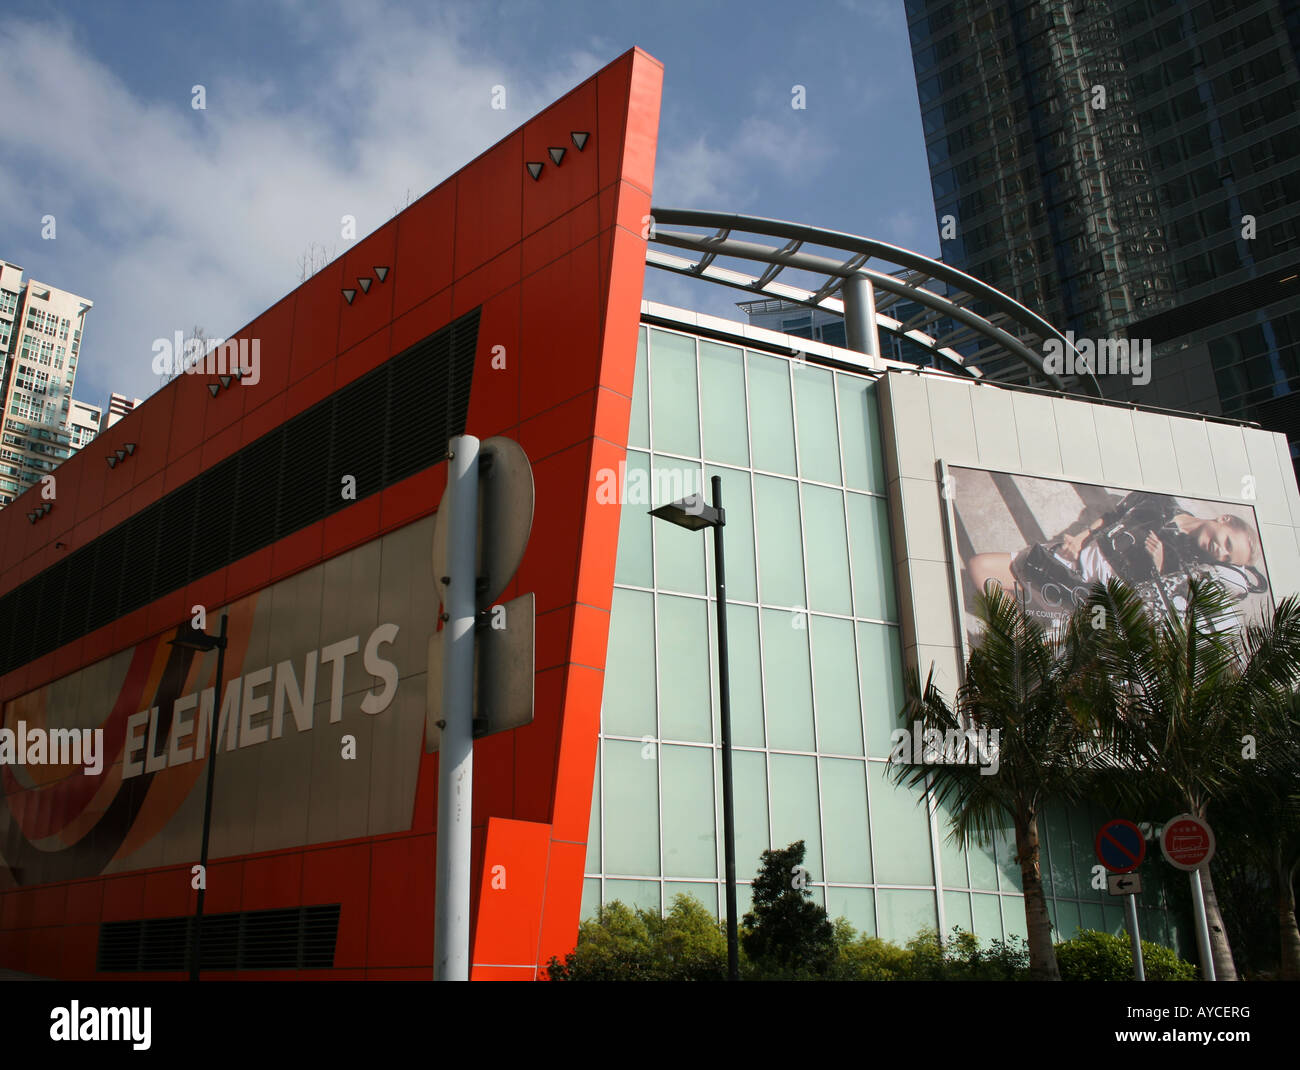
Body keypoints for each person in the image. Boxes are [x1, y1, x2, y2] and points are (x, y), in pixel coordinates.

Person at [967, 490, 1267, 618]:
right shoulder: (1161, 501)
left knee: (1015, 590)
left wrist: (1160, 567)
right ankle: (1027, 623)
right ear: (1224, 520)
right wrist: (1081, 536)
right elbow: (1113, 516)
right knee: (980, 568)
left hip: (1084, 595)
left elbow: (1153, 608)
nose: (1220, 553)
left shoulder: (1193, 566)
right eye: (1228, 544)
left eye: (1228, 558)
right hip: (1068, 557)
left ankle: (1033, 629)